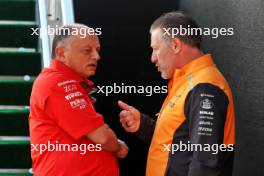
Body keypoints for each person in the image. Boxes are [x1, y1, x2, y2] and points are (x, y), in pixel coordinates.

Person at [118, 11, 235, 176]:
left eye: (155, 49)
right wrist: (143, 126)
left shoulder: (204, 87)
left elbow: (205, 164)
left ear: (175, 45)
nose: (153, 58)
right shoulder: (186, 81)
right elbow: (178, 142)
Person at [29, 24, 128, 176]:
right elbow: (102, 137)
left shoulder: (64, 82)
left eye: (97, 50)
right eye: (87, 50)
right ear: (61, 54)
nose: (96, 56)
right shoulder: (59, 82)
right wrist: (118, 146)